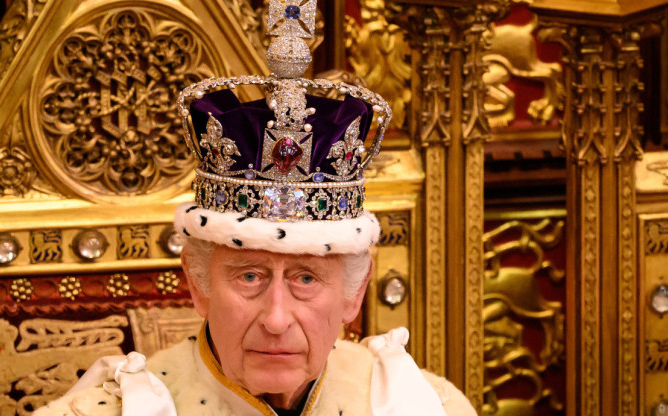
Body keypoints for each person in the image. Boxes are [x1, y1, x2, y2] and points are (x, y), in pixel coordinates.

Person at [33, 1, 477, 414]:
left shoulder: (425, 404)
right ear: (197, 283)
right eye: (249, 276)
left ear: (354, 295)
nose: (277, 319)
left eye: (306, 278)